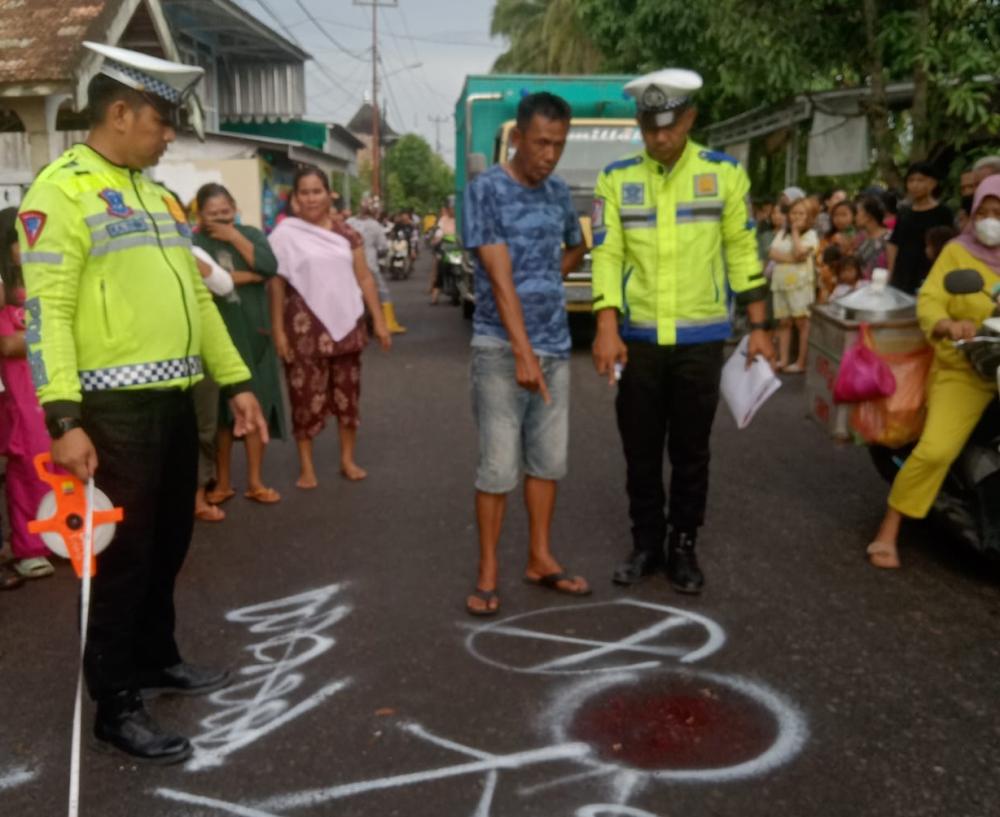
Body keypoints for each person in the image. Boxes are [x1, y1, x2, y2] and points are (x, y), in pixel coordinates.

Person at [17, 42, 268, 763]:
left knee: (169, 543)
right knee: (121, 560)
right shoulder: (59, 191)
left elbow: (194, 295)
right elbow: (48, 312)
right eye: (162, 119)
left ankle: (158, 656)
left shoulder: (157, 197)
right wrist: (63, 417)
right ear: (120, 112)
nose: (169, 135)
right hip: (110, 409)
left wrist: (240, 382)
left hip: (174, 400)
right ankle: (115, 701)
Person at [591, 68, 772, 594]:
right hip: (640, 339)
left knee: (692, 451)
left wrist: (759, 325)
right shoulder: (616, 179)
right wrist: (606, 323)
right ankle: (646, 541)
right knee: (640, 448)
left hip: (700, 339)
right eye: (649, 127)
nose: (660, 137)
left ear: (689, 118)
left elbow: (742, 250)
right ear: (640, 124)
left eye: (669, 126)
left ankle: (684, 545)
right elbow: (608, 252)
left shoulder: (725, 174)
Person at [462, 91, 589, 616]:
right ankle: (488, 569)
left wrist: (549, 281)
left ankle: (539, 557)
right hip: (499, 346)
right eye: (541, 143)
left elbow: (576, 244)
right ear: (517, 138)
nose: (550, 155)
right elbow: (499, 278)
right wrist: (522, 351)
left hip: (556, 346)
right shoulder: (485, 190)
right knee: (497, 466)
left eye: (558, 144)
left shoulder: (559, 191)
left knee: (548, 462)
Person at [866, 176, 1000, 569]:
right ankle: (889, 530)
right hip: (965, 366)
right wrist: (945, 323)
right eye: (985, 213)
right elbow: (931, 299)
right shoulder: (958, 253)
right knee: (938, 448)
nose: (991, 220)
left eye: (999, 213)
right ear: (972, 215)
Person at [268, 167, 391, 488]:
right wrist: (278, 331)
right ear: (296, 198)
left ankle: (347, 460)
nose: (311, 198)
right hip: (302, 329)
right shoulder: (284, 235)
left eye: (317, 191)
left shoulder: (347, 233)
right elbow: (276, 284)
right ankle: (306, 467)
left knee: (348, 397)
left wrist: (378, 320)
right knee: (303, 397)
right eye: (304, 192)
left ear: (329, 194)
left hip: (346, 326)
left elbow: (364, 277)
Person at [194, 183, 286, 507]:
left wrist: (235, 238)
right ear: (200, 216)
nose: (221, 219)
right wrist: (246, 277)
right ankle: (222, 483)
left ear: (234, 207)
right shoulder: (195, 243)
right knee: (220, 415)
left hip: (254, 333)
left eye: (226, 212)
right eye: (213, 214)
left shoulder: (251, 234)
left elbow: (269, 267)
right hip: (219, 338)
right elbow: (211, 282)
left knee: (254, 404)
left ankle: (256, 482)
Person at [0, 207, 53, 583]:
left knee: (59, 460)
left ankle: (60, 535)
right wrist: (42, 337)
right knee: (27, 464)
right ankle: (29, 546)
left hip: (51, 382)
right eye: (17, 239)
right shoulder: (3, 290)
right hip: (16, 391)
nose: (25, 246)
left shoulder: (45, 280)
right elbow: (8, 346)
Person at [189, 245, 236, 523]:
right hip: (146, 358)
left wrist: (182, 251)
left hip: (199, 354)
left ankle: (198, 497)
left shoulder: (191, 250)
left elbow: (223, 285)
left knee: (203, 429)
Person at [887, 162, 953, 294]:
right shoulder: (904, 212)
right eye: (911, 180)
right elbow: (894, 243)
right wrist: (891, 274)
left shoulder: (943, 212)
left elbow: (949, 245)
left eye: (920, 180)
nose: (915, 185)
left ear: (933, 183)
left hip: (931, 271)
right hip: (903, 273)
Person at [769, 197, 818, 373]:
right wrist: (793, 259)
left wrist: (796, 233)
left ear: (809, 216)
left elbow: (801, 252)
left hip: (800, 286)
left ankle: (801, 362)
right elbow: (772, 253)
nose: (796, 217)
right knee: (784, 322)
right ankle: (783, 359)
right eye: (793, 213)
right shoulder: (782, 233)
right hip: (781, 285)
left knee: (802, 323)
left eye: (801, 213)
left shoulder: (811, 235)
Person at [348, 201, 406, 333]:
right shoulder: (375, 225)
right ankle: (389, 323)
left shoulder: (349, 222)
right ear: (374, 212)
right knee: (383, 292)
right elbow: (383, 247)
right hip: (370, 264)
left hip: (351, 265)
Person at [853, 195, 890, 279]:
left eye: (858, 213)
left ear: (868, 216)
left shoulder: (888, 238)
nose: (855, 217)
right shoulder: (860, 238)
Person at [430, 198, 457, 305]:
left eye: (454, 208)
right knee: (441, 269)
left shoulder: (460, 219)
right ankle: (435, 296)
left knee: (457, 270)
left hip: (457, 249)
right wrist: (438, 239)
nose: (452, 210)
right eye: (451, 208)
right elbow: (439, 234)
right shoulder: (443, 220)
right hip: (445, 248)